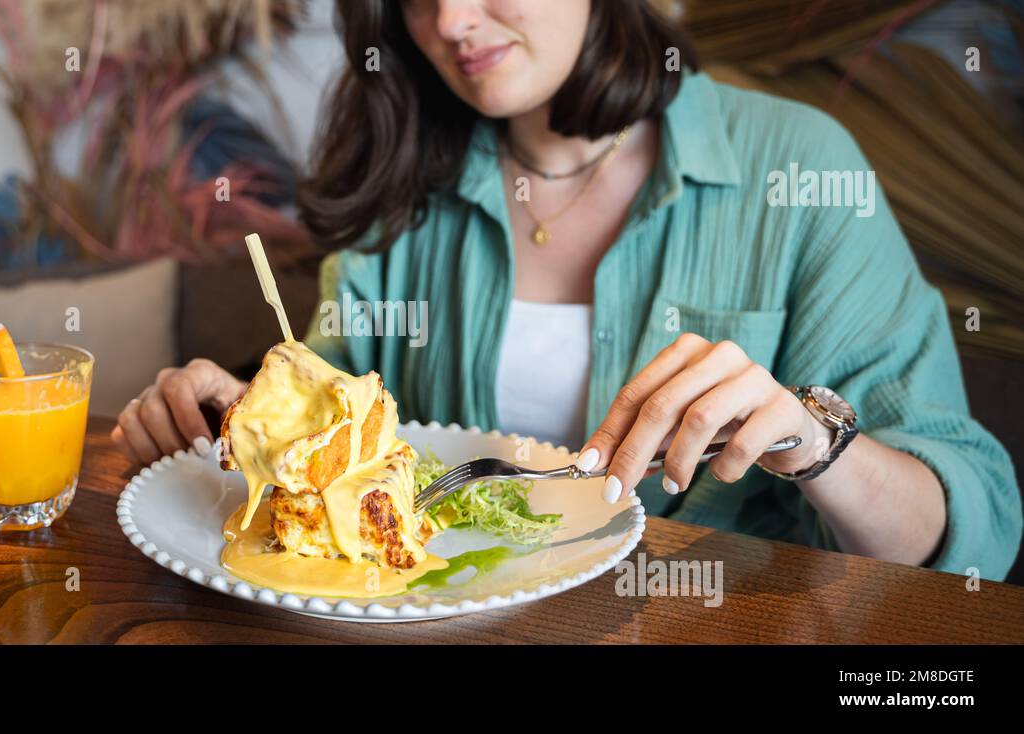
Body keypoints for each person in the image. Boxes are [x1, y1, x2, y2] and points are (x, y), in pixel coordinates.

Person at [112, 0, 1021, 579]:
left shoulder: (797, 166)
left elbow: (966, 534)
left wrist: (814, 443)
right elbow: (335, 405)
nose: (451, 21)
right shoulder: (401, 180)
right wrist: (238, 412)